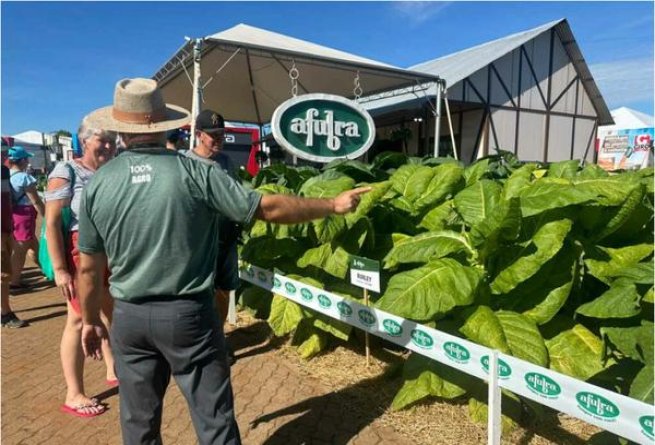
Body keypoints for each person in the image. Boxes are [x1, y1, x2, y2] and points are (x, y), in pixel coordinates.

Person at [77, 77, 369, 445]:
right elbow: (266, 208)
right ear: (163, 123)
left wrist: (91, 320)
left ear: (121, 130)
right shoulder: (196, 172)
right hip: (188, 315)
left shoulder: (98, 184)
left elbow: (88, 268)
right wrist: (332, 205)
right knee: (213, 420)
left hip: (129, 317)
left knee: (138, 424)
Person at [45, 123, 118, 417]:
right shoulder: (66, 171)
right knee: (78, 319)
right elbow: (51, 223)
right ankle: (74, 393)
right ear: (85, 141)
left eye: (112, 141)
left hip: (110, 251)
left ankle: (113, 369)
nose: (109, 146)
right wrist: (60, 269)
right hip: (81, 254)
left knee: (111, 309)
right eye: (103, 140)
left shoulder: (110, 171)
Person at [186, 109, 240, 364]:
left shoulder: (226, 162)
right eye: (213, 135)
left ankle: (218, 338)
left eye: (221, 134)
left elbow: (236, 195)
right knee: (197, 293)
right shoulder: (185, 162)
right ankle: (197, 342)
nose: (219, 139)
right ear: (199, 134)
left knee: (223, 290)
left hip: (225, 237)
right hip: (196, 241)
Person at [8, 146, 44, 289]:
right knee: (21, 248)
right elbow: (36, 200)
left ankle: (48, 270)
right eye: (27, 158)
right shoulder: (24, 178)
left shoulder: (7, 175)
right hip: (25, 215)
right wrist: (46, 215)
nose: (28, 161)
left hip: (14, 214)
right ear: (22, 160)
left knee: (33, 245)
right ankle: (14, 281)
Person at [1, 147, 28, 328]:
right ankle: (5, 314)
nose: (5, 156)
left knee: (5, 272)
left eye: (5, 152)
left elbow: (7, 200)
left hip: (6, 228)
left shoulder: (4, 172)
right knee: (3, 274)